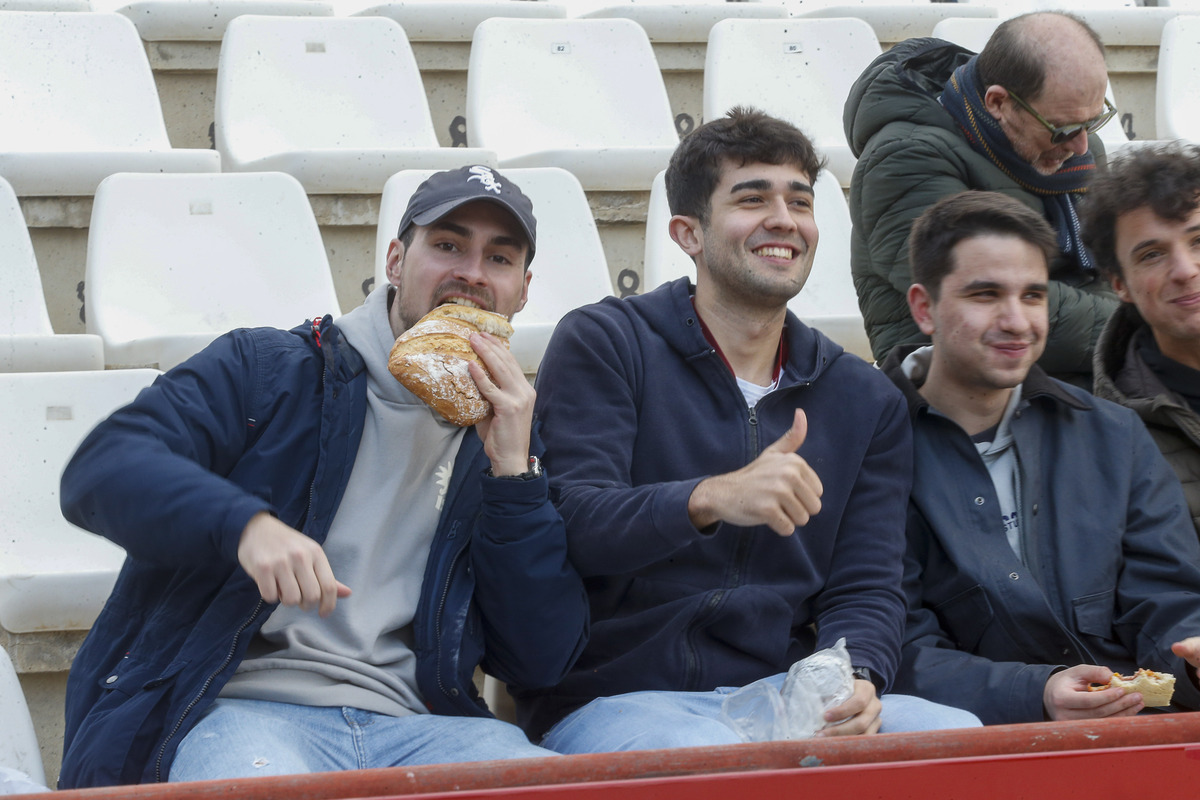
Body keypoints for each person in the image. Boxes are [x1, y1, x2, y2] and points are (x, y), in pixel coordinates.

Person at [56, 165, 588, 788]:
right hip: (237, 712)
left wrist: (513, 481)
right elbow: (103, 467)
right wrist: (245, 527)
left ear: (522, 292)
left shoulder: (512, 434)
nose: (471, 272)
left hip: (423, 727)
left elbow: (539, 659)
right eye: (447, 245)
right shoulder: (268, 369)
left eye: (498, 258)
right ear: (394, 260)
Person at [516, 107, 979, 754]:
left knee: (958, 739)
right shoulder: (606, 342)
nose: (784, 220)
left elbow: (868, 582)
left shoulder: (862, 396)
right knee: (714, 769)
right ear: (688, 232)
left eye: (800, 200)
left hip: (781, 694)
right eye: (752, 198)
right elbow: (573, 524)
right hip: (618, 697)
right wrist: (707, 499)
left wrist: (863, 678)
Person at [883, 190, 1200, 725]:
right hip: (972, 752)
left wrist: (1191, 662)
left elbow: (1167, 598)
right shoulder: (868, 445)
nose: (1017, 321)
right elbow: (889, 643)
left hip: (1130, 740)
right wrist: (1037, 692)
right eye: (985, 295)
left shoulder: (1113, 435)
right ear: (923, 308)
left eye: (1032, 296)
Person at [845, 11, 1119, 382]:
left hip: (1080, 373)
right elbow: (986, 301)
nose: (1082, 145)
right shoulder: (906, 158)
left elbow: (1113, 270)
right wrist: (1139, 327)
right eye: (1063, 129)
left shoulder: (1075, 149)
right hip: (957, 390)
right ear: (997, 103)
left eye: (1092, 122)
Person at [1086, 142, 1200, 538]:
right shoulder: (1107, 446)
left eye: (1198, 240)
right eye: (1152, 255)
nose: (1185, 270)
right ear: (1121, 285)